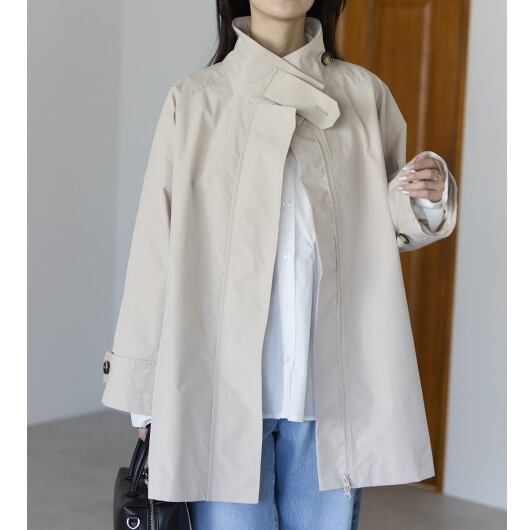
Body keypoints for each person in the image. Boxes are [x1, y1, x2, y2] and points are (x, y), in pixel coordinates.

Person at [101, 1, 458, 528]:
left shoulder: (365, 95)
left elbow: (384, 225)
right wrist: (146, 394)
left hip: (329, 394)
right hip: (218, 393)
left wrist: (426, 197)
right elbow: (155, 251)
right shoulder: (195, 101)